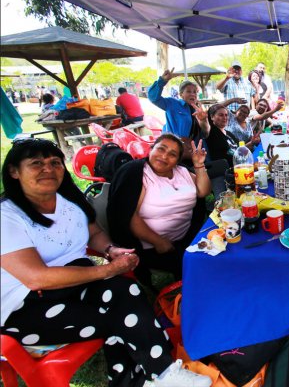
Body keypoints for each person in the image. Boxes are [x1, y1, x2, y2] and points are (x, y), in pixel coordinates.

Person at [0, 138, 212, 387]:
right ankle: (161, 373)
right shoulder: (8, 216)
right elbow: (36, 277)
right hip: (25, 303)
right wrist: (106, 270)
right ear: (14, 171)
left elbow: (95, 233)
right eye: (36, 163)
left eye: (55, 162)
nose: (48, 169)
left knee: (126, 290)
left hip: (75, 285)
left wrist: (111, 249)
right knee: (121, 318)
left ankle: (148, 377)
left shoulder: (68, 201)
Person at [107, 134, 211, 286]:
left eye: (172, 154)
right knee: (201, 269)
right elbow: (129, 215)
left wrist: (199, 165)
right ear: (151, 149)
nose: (164, 156)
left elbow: (204, 191)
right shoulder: (138, 174)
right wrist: (159, 242)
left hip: (187, 237)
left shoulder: (182, 171)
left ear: (177, 160)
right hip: (156, 248)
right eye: (161, 149)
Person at [148, 68, 209, 144]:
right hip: (172, 144)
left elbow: (205, 133)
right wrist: (162, 81)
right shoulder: (172, 104)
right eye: (188, 91)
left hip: (191, 148)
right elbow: (153, 98)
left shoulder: (198, 110)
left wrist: (204, 120)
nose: (193, 94)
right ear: (181, 94)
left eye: (195, 92)